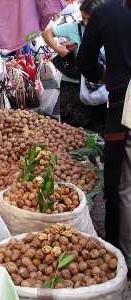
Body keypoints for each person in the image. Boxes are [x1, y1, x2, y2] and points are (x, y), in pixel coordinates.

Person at [77, 0, 131, 274]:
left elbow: (84, 60)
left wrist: (104, 73)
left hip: (124, 108)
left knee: (122, 187)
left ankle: (125, 260)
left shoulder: (106, 12)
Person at [42, 0, 106, 132]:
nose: (86, 22)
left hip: (97, 88)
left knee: (96, 132)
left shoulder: (106, 30)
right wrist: (58, 49)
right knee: (71, 133)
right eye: (83, 18)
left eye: (90, 19)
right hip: (72, 88)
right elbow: (47, 33)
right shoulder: (73, 28)